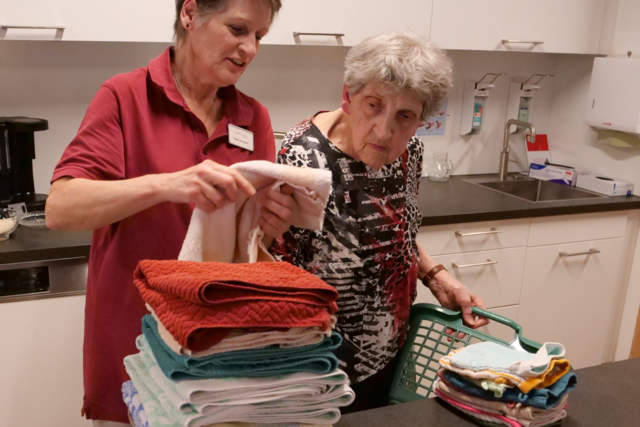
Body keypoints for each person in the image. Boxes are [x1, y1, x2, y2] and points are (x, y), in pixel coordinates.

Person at [45, 0, 293, 425]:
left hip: (218, 351)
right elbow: (61, 207)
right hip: (134, 343)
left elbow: (252, 248)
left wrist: (270, 223)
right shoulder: (124, 96)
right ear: (190, 13)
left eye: (259, 37)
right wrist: (167, 184)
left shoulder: (254, 118)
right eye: (237, 29)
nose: (249, 48)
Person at [269, 30, 490, 413]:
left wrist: (437, 275)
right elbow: (275, 270)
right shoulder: (302, 158)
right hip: (318, 367)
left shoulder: (410, 152)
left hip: (389, 350)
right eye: (374, 105)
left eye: (405, 116)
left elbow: (398, 234)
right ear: (348, 96)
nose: (385, 130)